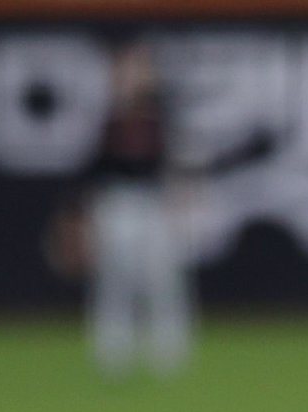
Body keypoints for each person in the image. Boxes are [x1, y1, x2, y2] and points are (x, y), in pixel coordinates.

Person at [52, 41, 194, 377]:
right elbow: (90, 166)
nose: (136, 75)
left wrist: (181, 195)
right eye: (129, 68)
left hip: (153, 200)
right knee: (114, 279)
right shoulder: (104, 114)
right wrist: (80, 214)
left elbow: (175, 159)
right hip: (116, 201)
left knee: (162, 278)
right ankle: (113, 352)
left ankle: (169, 353)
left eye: (141, 69)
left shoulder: (160, 112)